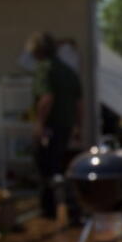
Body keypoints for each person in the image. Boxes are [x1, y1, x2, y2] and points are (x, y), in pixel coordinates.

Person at [24, 31, 82, 221]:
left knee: (45, 170)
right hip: (65, 127)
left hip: (51, 128)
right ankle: (70, 208)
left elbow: (47, 98)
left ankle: (50, 211)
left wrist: (39, 124)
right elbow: (79, 103)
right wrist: (76, 127)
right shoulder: (67, 70)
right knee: (59, 168)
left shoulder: (45, 69)